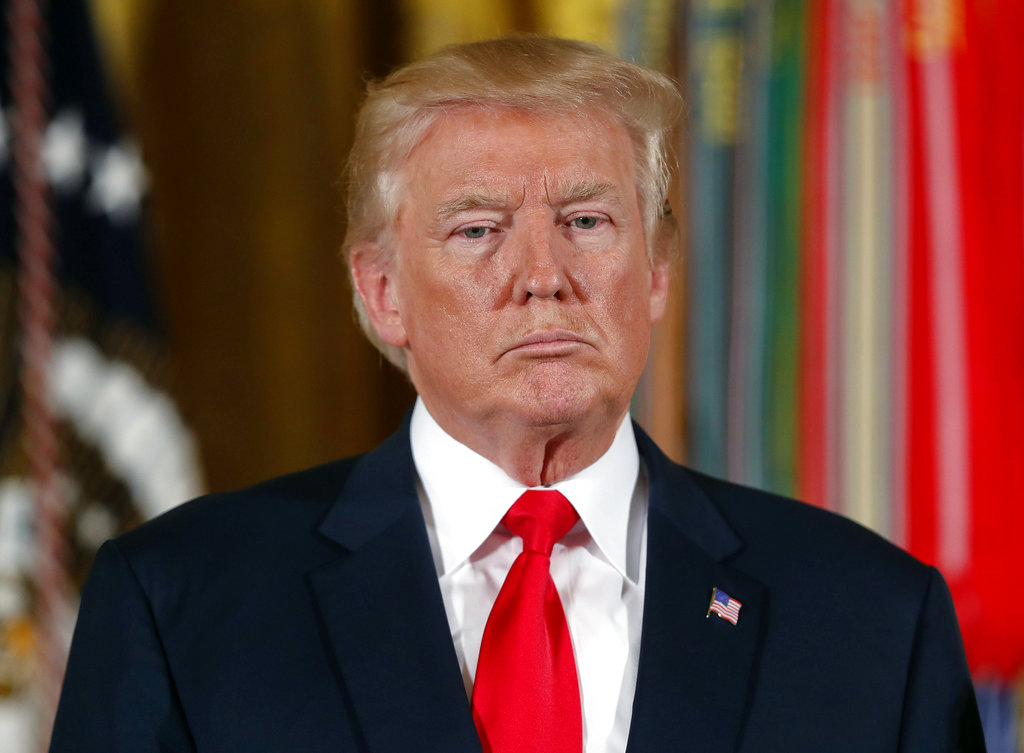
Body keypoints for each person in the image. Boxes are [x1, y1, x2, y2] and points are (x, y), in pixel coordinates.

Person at [50, 35, 985, 753]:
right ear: (380, 290)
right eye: (477, 230)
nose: (544, 275)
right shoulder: (180, 604)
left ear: (656, 270)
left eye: (586, 220)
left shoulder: (871, 619)